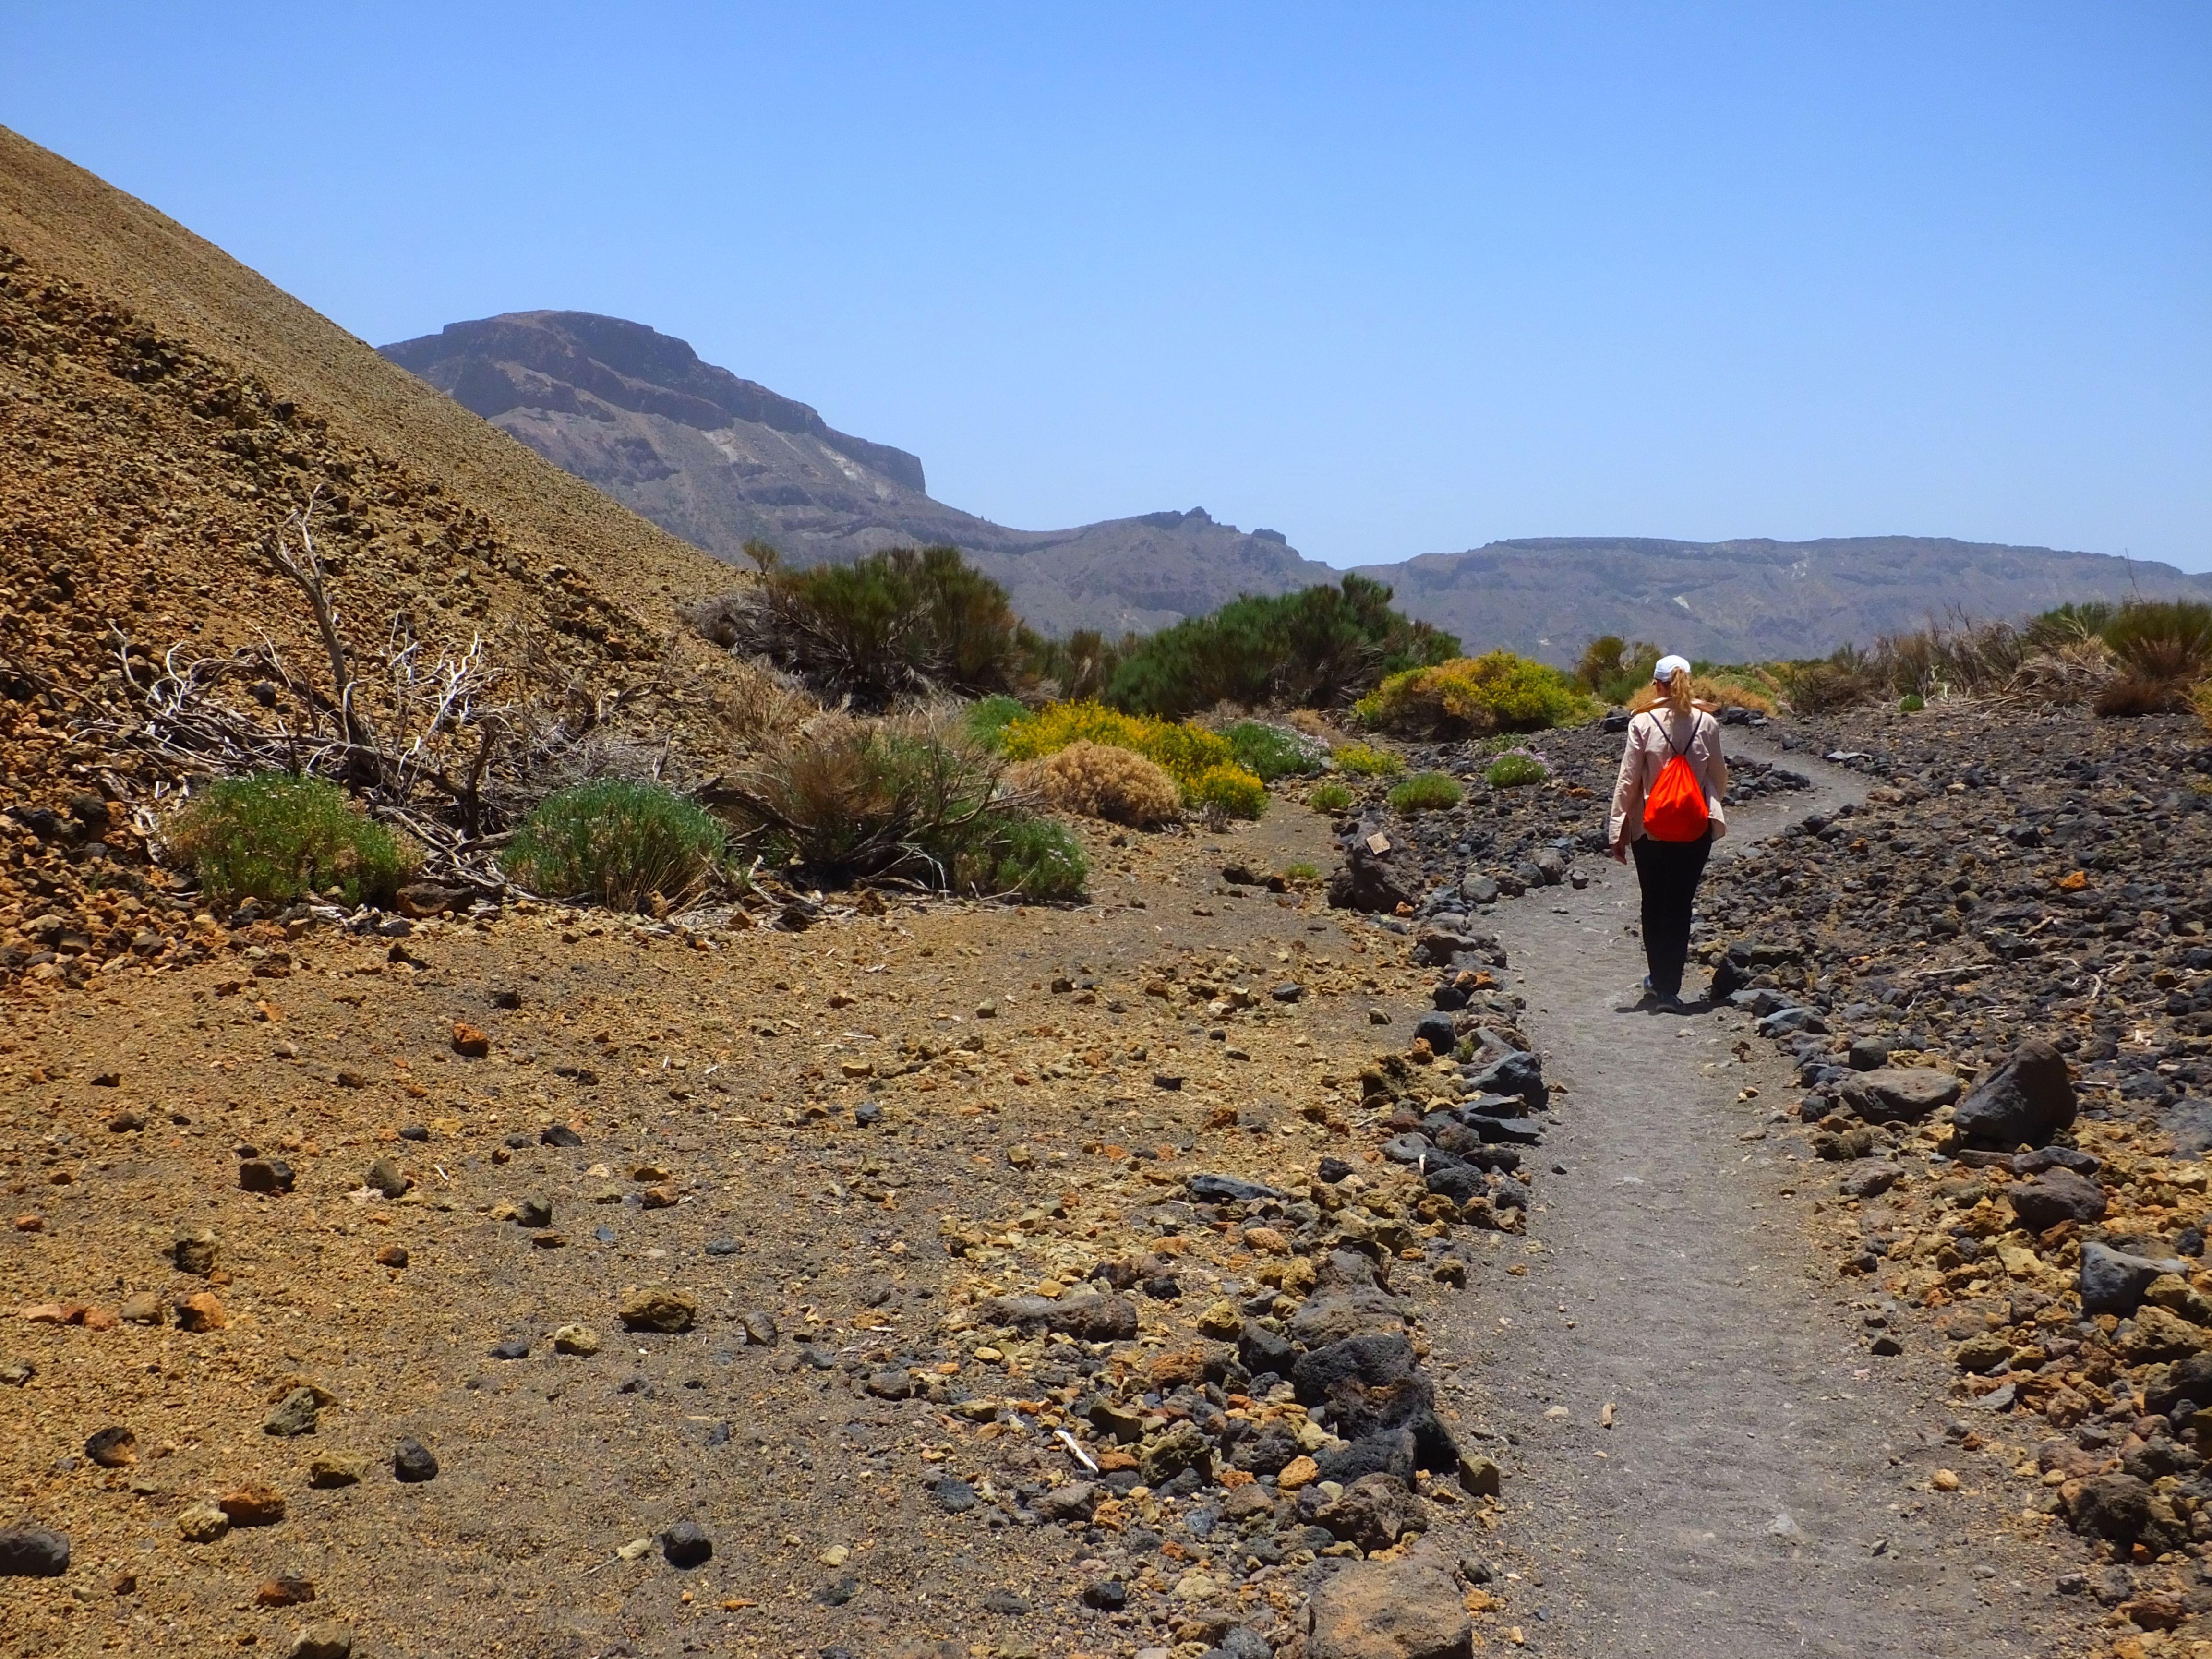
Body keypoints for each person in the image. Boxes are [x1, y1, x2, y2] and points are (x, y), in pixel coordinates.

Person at [1607, 654, 1728, 1009]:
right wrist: (1699, 802)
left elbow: (1628, 780)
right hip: (1695, 827)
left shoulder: (1642, 723)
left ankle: (1658, 980)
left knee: (1654, 902)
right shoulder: (1707, 723)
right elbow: (1719, 776)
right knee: (1679, 904)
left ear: (1657, 684)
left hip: (1650, 828)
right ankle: (1668, 988)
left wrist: (1618, 827)